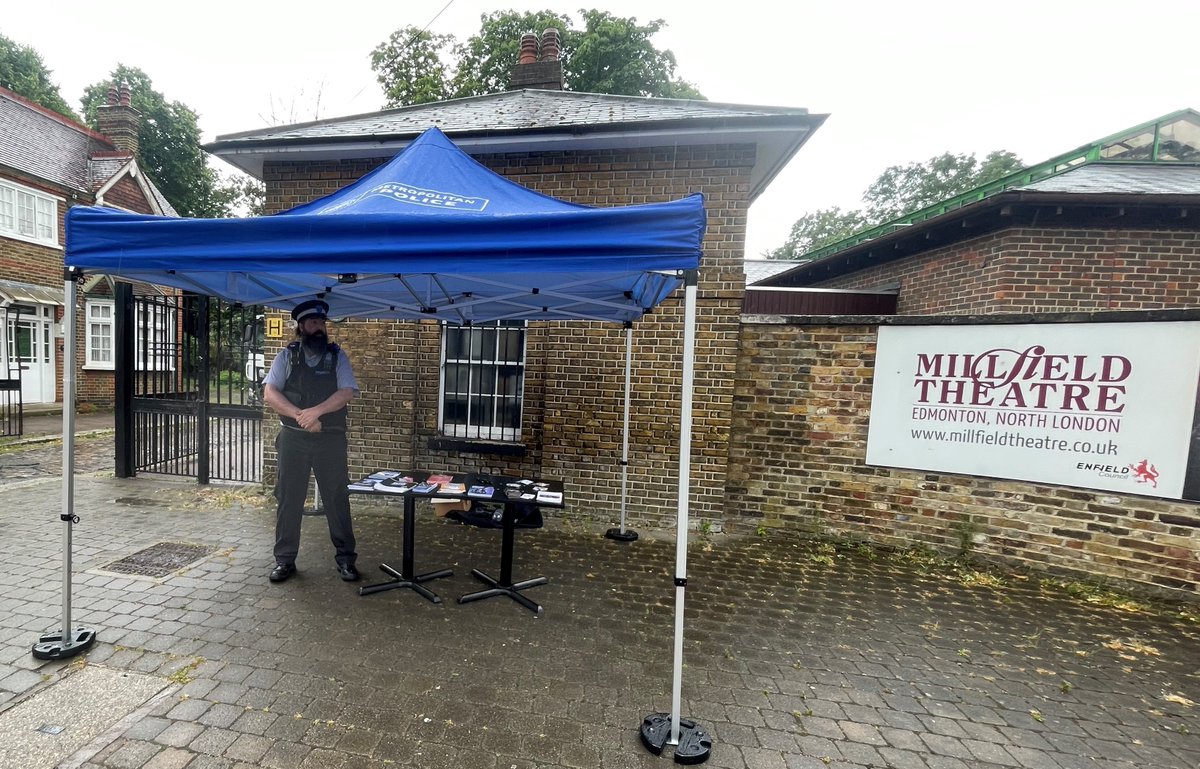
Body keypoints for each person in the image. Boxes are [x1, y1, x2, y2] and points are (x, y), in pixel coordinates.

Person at [262, 298, 361, 583]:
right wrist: (300, 417)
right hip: (293, 439)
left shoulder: (337, 356)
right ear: (301, 326)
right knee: (289, 499)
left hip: (330, 439)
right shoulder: (287, 356)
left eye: (322, 323)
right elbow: (270, 393)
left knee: (336, 499)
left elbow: (346, 393)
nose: (319, 328)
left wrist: (316, 412)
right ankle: (284, 560)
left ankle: (346, 559)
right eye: (313, 323)